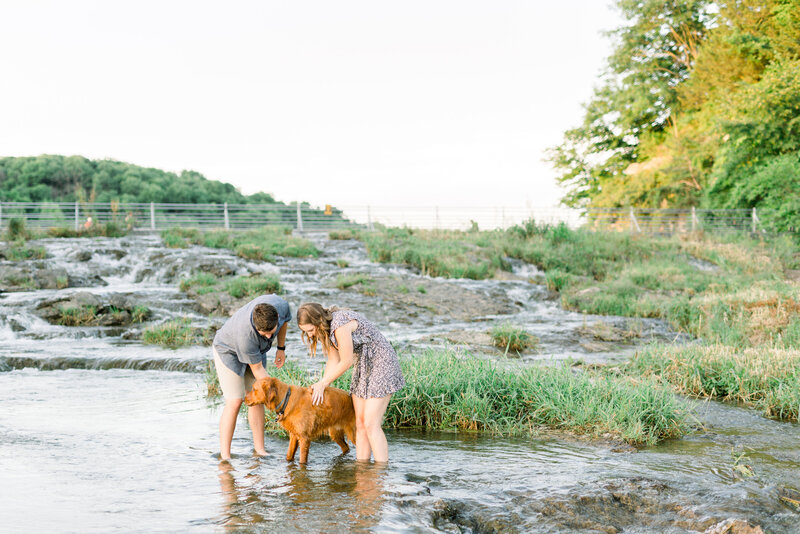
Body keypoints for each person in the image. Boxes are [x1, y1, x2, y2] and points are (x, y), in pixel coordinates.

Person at [296, 303, 405, 463]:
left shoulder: (339, 324)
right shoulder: (326, 330)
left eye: (311, 330)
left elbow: (346, 361)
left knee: (370, 423)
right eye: (306, 332)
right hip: (363, 364)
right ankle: (362, 471)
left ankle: (381, 472)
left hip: (382, 362)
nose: (311, 336)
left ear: (319, 320)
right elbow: (334, 360)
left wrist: (324, 383)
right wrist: (321, 385)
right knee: (359, 423)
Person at [212, 294, 291, 460]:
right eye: (265, 334)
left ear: (276, 316)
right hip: (228, 350)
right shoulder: (246, 335)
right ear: (256, 327)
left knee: (257, 399)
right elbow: (260, 374)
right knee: (235, 401)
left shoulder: (281, 307)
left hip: (257, 350)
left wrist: (281, 348)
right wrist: (282, 397)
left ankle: (260, 450)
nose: (269, 337)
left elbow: (284, 323)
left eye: (271, 332)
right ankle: (225, 456)